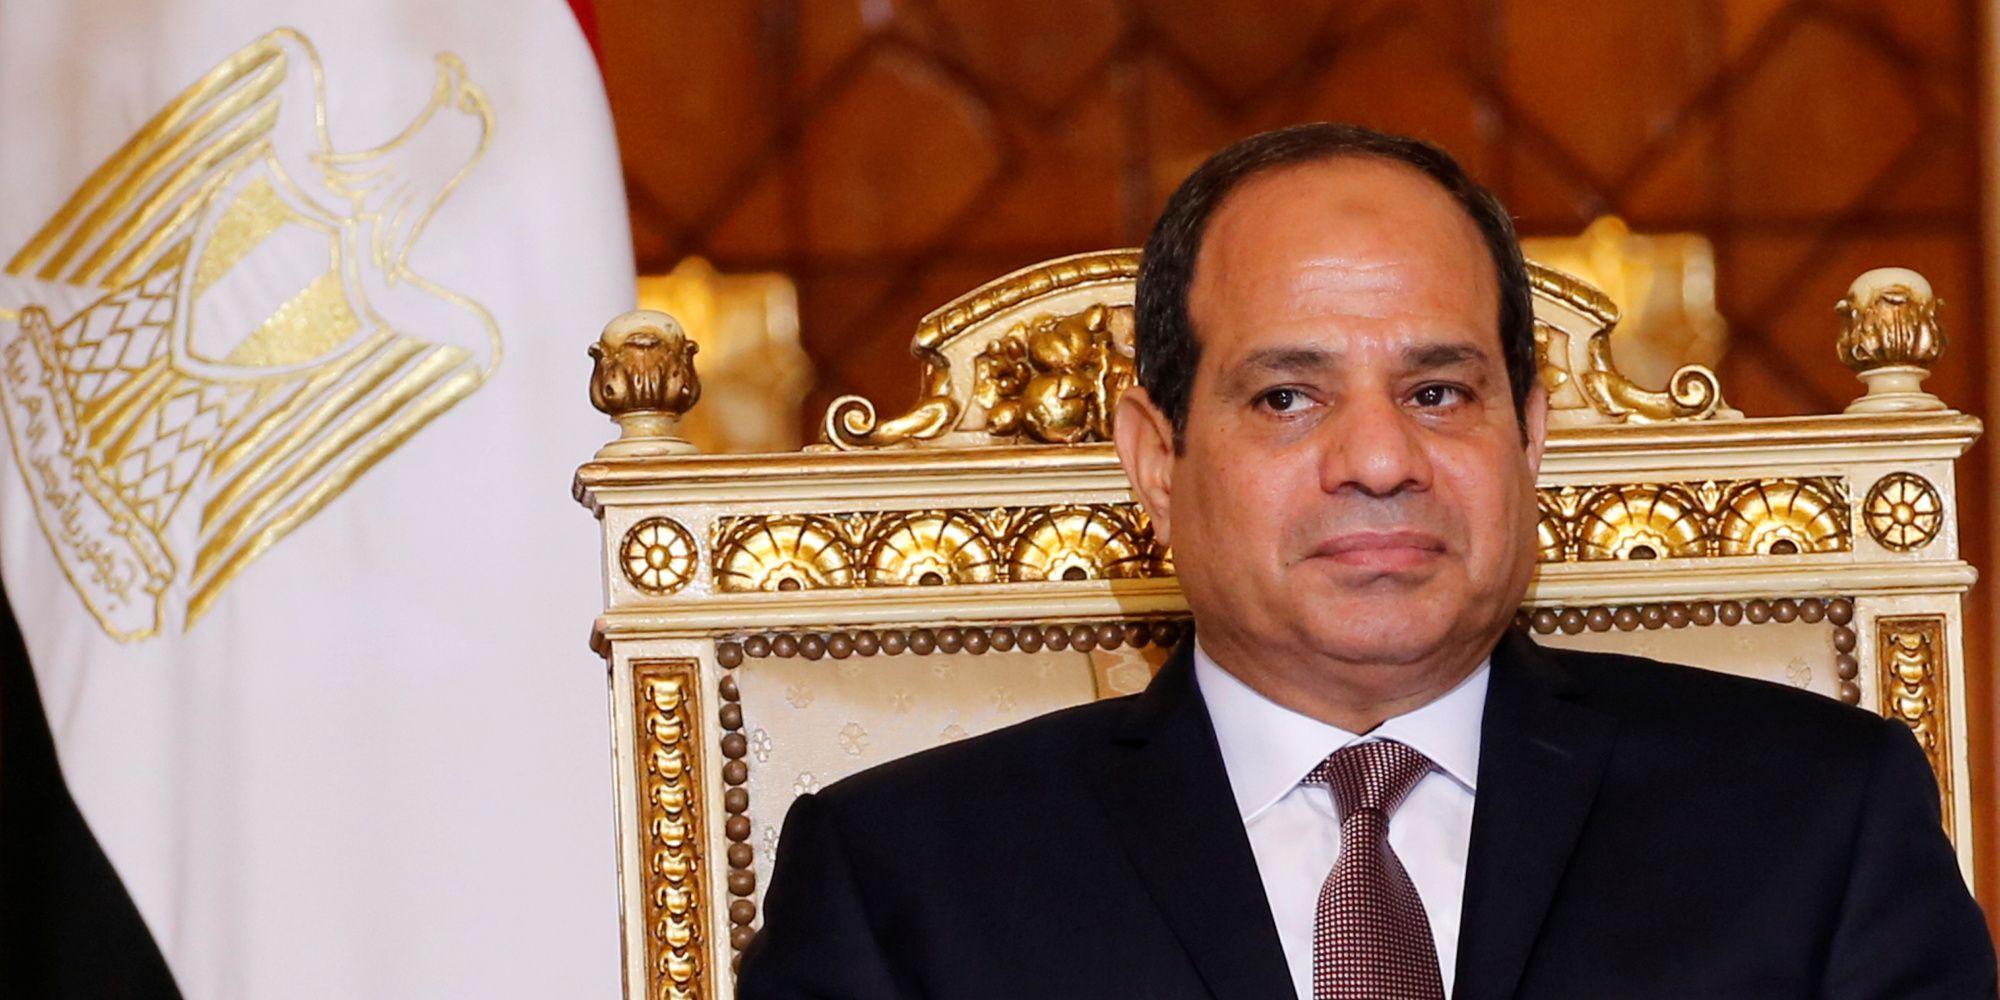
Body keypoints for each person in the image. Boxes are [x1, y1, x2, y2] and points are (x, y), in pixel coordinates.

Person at [736, 123, 1997, 1000]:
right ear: (1157, 457)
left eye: (1438, 390)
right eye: (1285, 397)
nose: (1380, 459)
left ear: (1528, 436)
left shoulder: (1812, 818)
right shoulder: (906, 878)